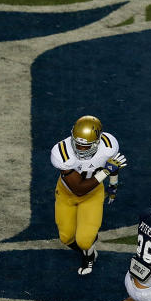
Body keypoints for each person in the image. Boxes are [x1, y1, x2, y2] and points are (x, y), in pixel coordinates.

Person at [51, 115, 127, 275]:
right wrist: (106, 171)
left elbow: (114, 165)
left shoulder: (108, 145)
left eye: (85, 146)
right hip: (67, 194)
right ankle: (88, 250)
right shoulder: (62, 153)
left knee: (85, 240)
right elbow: (78, 188)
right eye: (77, 144)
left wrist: (113, 185)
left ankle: (89, 255)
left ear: (98, 141)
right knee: (66, 238)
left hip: (93, 194)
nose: (80, 149)